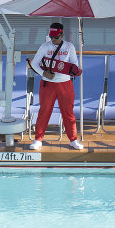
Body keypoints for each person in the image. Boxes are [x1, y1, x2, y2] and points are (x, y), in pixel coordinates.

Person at [28, 22, 84, 150]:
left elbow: (74, 64)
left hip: (65, 84)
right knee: (44, 111)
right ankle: (38, 139)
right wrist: (44, 73)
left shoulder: (69, 47)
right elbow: (34, 63)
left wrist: (74, 70)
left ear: (62, 35)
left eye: (56, 37)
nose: (53, 39)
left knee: (68, 112)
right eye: (51, 37)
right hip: (48, 84)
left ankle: (73, 139)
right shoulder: (45, 46)